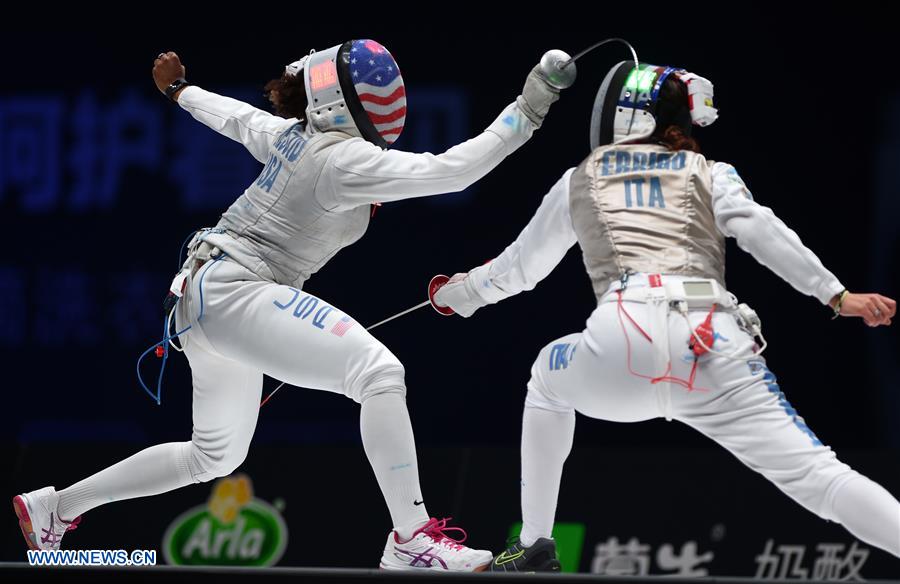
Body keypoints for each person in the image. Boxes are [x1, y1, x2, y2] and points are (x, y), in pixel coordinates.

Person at [12, 39, 567, 571]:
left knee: (214, 456)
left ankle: (56, 508)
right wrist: (529, 108)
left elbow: (234, 117)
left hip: (204, 297)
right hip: (235, 290)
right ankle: (412, 538)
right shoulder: (342, 158)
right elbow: (454, 170)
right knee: (378, 373)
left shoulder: (295, 136)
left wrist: (180, 90)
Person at [433, 60, 899, 571]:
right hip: (712, 343)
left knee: (547, 376)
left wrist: (460, 294)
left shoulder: (581, 178)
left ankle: (535, 544)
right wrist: (837, 296)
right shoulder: (711, 173)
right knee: (823, 479)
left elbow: (519, 270)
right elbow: (760, 229)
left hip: (620, 344)